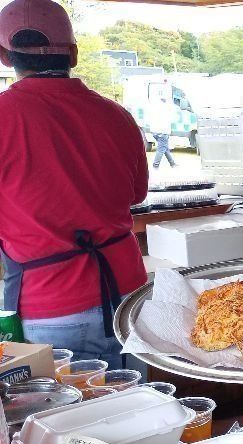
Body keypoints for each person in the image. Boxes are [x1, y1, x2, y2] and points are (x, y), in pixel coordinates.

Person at [0, 0, 148, 370]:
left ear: (4, 56)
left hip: (51, 302)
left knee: (76, 424)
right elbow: (136, 195)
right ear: (75, 54)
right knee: (143, 410)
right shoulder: (117, 115)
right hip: (128, 292)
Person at [148, 96, 176, 169]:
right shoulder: (167, 108)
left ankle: (172, 163)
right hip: (163, 131)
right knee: (161, 149)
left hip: (154, 131)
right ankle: (155, 165)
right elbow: (173, 119)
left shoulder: (155, 107)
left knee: (165, 148)